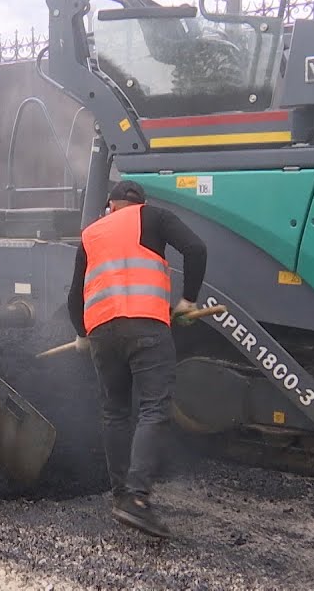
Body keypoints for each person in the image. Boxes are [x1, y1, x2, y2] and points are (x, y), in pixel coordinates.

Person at [66, 180, 208, 538]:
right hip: (146, 325)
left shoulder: (91, 234)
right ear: (138, 203)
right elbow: (196, 249)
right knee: (154, 407)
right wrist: (188, 300)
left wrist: (82, 335)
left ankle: (120, 494)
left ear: (111, 205)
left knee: (115, 411)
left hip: (101, 331)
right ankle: (138, 498)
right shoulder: (154, 216)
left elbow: (74, 297)